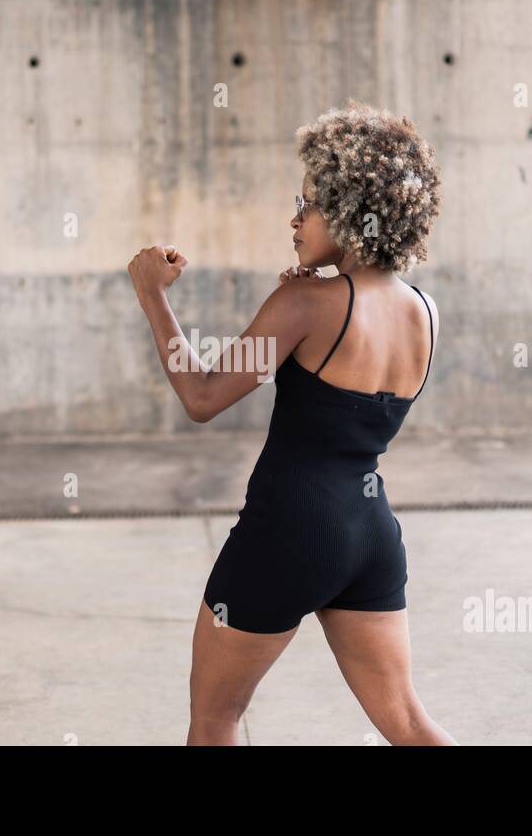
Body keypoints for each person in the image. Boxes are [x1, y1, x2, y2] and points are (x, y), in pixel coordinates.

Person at [128, 100, 457, 745]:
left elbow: (201, 395)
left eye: (309, 203)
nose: (295, 217)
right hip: (370, 536)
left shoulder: (305, 302)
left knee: (215, 721)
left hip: (287, 531)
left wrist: (152, 295)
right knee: (410, 723)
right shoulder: (424, 310)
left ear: (351, 211)